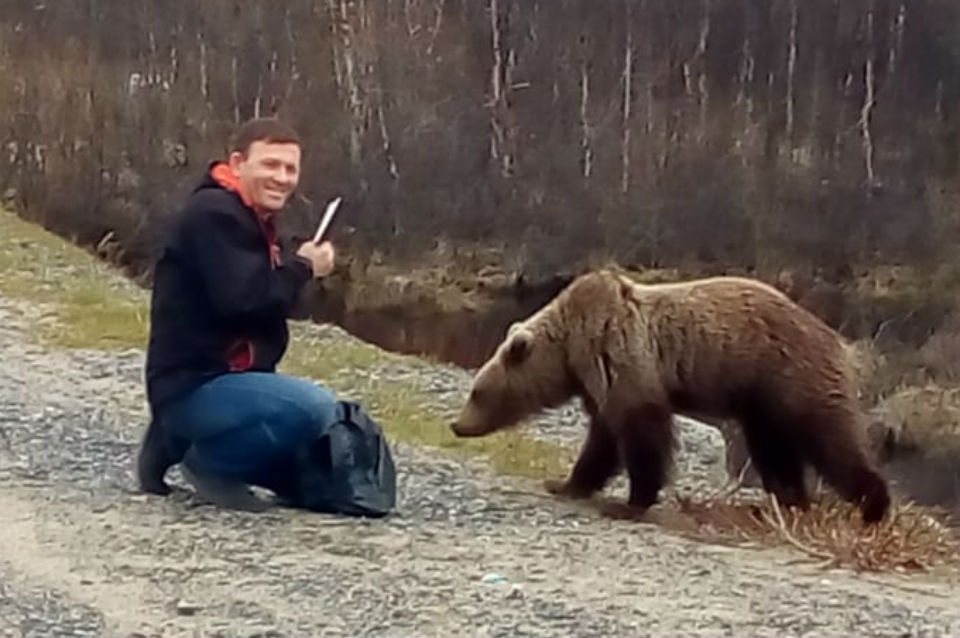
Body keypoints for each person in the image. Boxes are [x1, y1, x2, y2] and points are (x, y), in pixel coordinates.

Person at [136, 117, 339, 511]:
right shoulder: (214, 214)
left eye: (290, 168)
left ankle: (170, 440)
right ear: (237, 162)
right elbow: (243, 300)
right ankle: (208, 465)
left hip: (218, 378)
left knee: (306, 467)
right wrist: (303, 268)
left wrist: (292, 273)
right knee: (313, 409)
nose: (281, 177)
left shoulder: (250, 218)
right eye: (270, 164)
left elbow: (267, 303)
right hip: (195, 380)